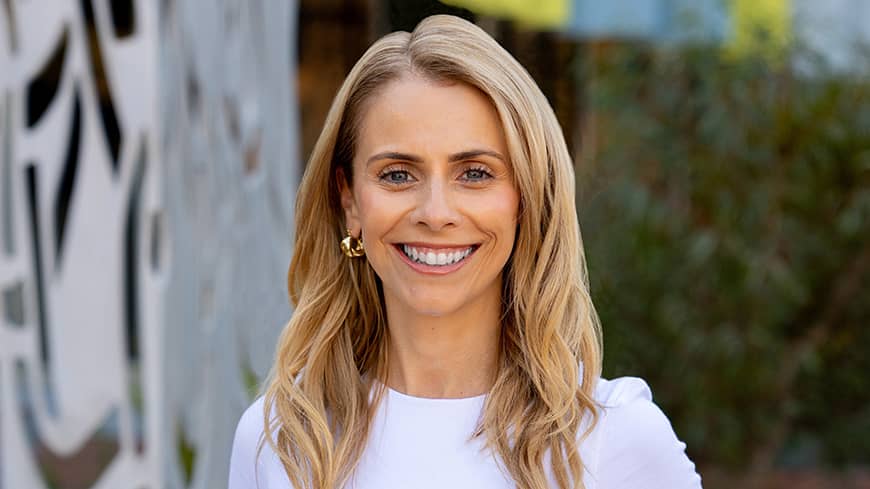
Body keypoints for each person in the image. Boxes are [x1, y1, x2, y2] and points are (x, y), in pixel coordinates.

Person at [228, 14, 702, 489]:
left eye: (474, 173)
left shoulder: (613, 442)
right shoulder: (281, 442)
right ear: (349, 199)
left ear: (527, 198)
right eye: (397, 174)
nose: (435, 213)